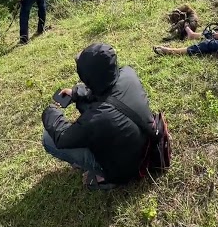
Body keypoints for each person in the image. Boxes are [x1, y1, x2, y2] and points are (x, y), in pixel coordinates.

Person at [42, 43, 153, 189]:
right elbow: (106, 89)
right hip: (144, 142)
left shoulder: (95, 119)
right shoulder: (128, 73)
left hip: (125, 170)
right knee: (84, 104)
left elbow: (63, 137)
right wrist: (76, 92)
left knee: (48, 138)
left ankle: (106, 176)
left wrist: (51, 110)